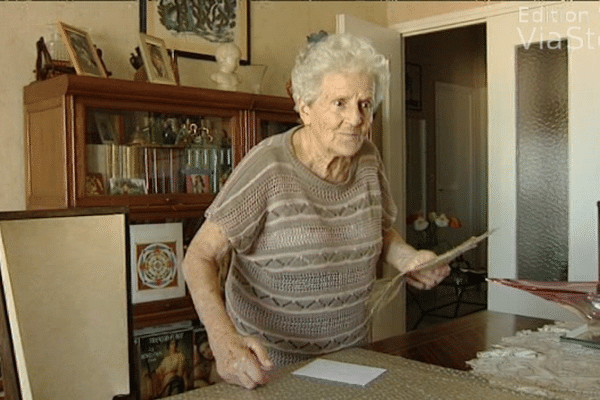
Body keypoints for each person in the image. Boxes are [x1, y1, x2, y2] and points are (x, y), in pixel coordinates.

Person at [182, 33, 450, 390]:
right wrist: (222, 338)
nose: (355, 119)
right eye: (339, 102)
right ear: (305, 107)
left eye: (365, 104)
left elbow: (381, 231)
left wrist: (408, 259)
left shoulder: (368, 159)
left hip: (350, 363)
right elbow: (199, 256)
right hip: (267, 370)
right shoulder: (269, 165)